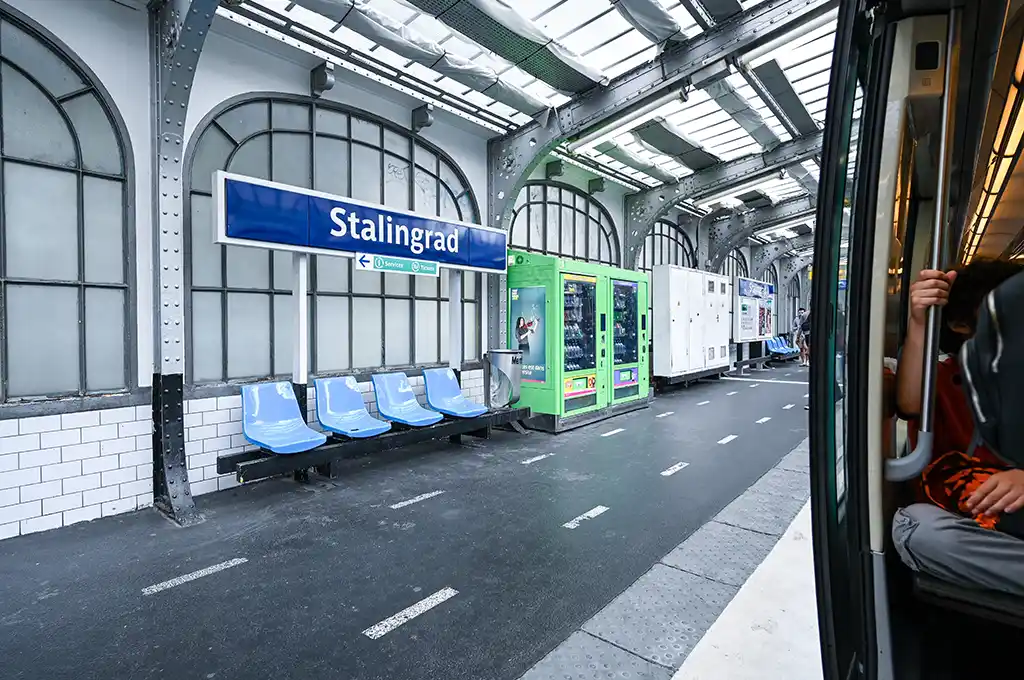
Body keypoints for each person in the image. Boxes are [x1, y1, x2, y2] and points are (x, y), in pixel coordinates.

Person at [892, 259, 1024, 596]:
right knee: (917, 528)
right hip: (982, 527)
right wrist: (919, 322)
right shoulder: (946, 379)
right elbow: (909, 403)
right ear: (961, 324)